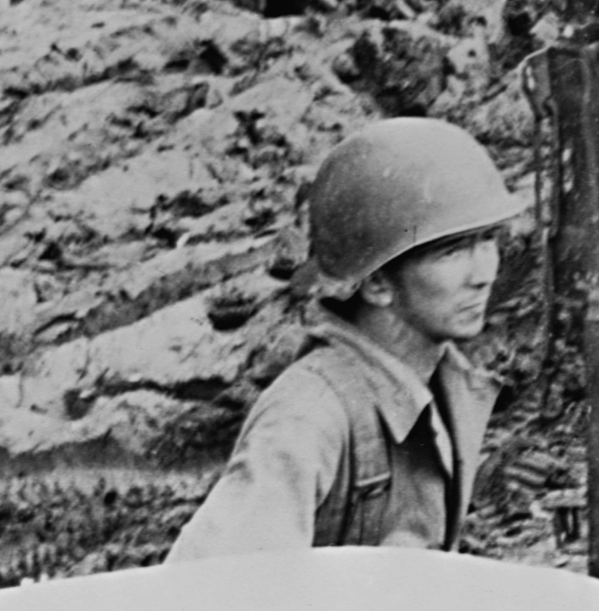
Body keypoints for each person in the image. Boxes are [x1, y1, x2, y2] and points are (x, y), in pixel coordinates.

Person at [168, 119, 512, 557]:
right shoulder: (308, 416)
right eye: (452, 251)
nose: (484, 274)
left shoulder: (445, 383)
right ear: (377, 285)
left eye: (488, 241)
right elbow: (214, 592)